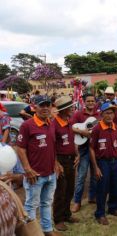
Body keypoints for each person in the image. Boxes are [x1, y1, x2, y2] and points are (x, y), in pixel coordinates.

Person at [16, 95, 61, 236]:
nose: (46, 108)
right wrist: (27, 170)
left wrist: (55, 163)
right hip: (34, 175)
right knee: (31, 206)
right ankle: (31, 233)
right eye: (42, 105)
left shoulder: (51, 123)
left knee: (47, 203)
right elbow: (20, 149)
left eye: (48, 105)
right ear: (34, 107)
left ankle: (47, 230)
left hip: (50, 174)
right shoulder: (27, 125)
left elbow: (52, 146)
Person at [90, 102, 117, 225]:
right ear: (101, 115)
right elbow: (92, 149)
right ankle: (100, 213)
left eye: (112, 113)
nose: (110, 116)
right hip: (103, 162)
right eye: (107, 113)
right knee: (102, 188)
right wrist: (96, 168)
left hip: (116, 162)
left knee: (116, 186)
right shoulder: (97, 129)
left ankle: (113, 208)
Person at [52, 96, 80, 231]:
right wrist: (56, 163)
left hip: (70, 159)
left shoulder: (68, 121)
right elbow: (51, 146)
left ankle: (67, 214)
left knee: (70, 189)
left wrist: (77, 154)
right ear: (64, 110)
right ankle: (58, 219)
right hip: (61, 160)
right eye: (71, 107)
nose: (73, 109)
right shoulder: (54, 124)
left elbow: (72, 139)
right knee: (60, 191)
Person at [71, 93, 99, 213]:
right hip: (83, 148)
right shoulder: (78, 114)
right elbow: (71, 127)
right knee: (81, 176)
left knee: (94, 175)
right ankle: (77, 202)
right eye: (88, 101)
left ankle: (92, 197)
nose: (91, 103)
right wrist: (83, 132)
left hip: (96, 148)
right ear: (84, 102)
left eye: (92, 101)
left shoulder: (99, 115)